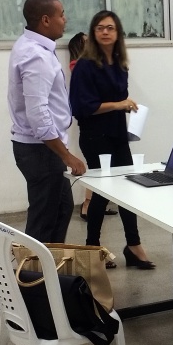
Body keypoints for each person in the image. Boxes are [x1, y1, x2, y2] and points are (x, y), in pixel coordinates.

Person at [69, 10, 155, 269]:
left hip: (118, 135)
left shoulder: (120, 64)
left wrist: (127, 107)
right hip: (95, 137)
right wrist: (118, 105)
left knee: (128, 189)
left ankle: (133, 245)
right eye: (100, 28)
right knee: (102, 193)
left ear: (118, 33)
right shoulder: (85, 65)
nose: (105, 32)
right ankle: (92, 248)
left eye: (110, 28)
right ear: (93, 33)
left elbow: (118, 99)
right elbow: (82, 108)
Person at [8, 0, 86, 243]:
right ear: (45, 20)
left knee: (61, 208)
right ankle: (34, 267)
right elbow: (38, 114)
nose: (65, 19)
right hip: (41, 151)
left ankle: (50, 263)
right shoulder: (36, 56)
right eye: (61, 14)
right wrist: (67, 155)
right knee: (44, 219)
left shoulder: (32, 46)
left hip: (43, 148)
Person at [68, 31, 118, 221]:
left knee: (103, 169)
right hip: (93, 128)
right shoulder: (78, 66)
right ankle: (88, 205)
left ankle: (96, 204)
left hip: (105, 125)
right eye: (87, 41)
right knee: (98, 169)